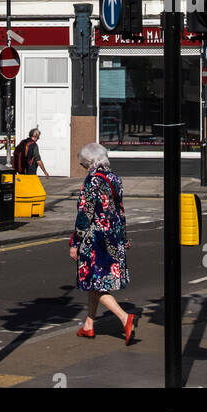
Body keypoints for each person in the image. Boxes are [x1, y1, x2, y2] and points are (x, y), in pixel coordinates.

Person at [69, 142, 136, 343]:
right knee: (95, 280)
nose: (82, 167)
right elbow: (120, 210)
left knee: (93, 280)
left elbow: (85, 213)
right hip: (113, 234)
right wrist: (123, 238)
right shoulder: (114, 178)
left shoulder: (92, 181)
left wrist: (75, 242)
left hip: (95, 237)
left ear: (89, 161)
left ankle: (125, 317)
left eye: (83, 163)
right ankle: (89, 324)